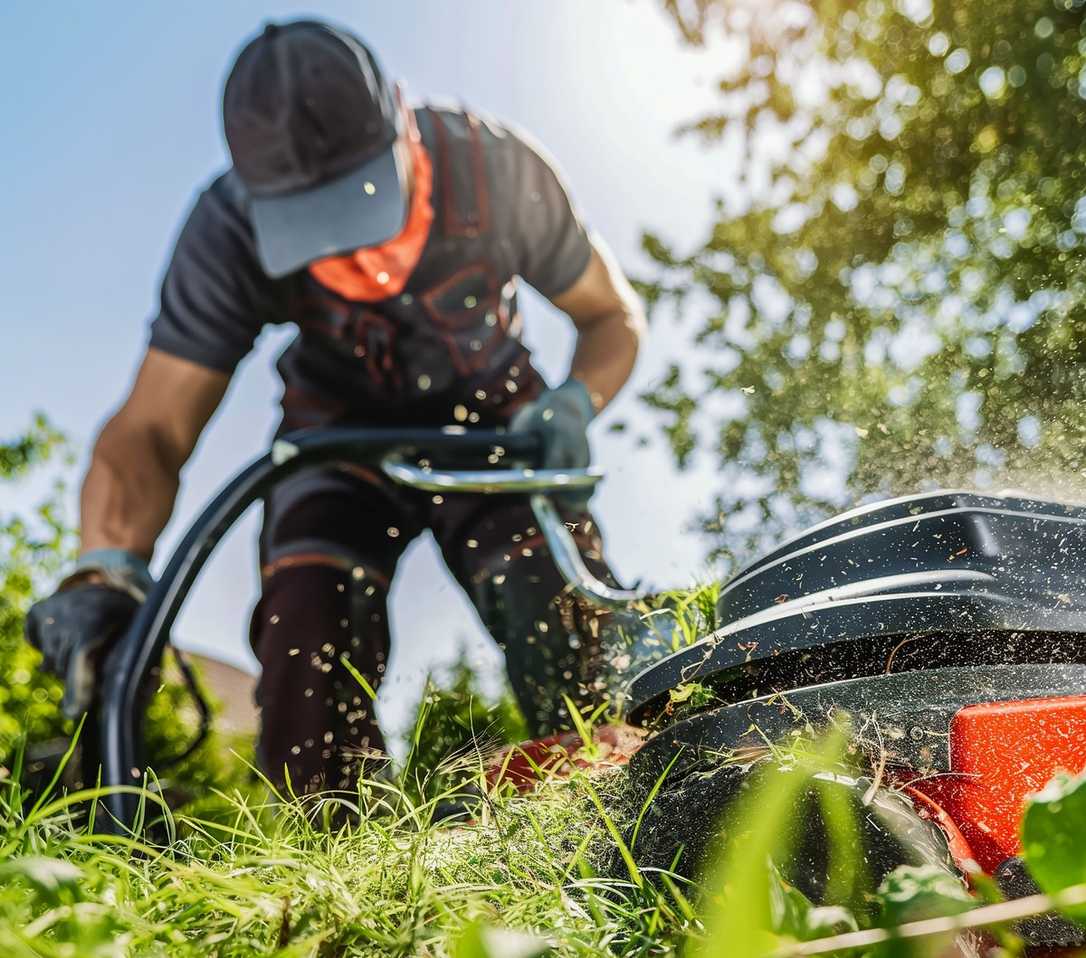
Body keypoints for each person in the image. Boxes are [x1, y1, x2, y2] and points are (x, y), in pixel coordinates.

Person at [25, 19, 645, 793]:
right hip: (335, 441)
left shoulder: (496, 169)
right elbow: (152, 425)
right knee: (304, 645)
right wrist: (104, 570)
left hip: (494, 431)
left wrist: (577, 401)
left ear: (404, 126)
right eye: (323, 239)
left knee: (568, 621)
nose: (365, 266)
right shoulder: (227, 232)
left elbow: (611, 316)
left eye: (369, 214)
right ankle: (331, 865)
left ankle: (633, 806)